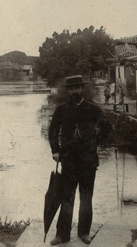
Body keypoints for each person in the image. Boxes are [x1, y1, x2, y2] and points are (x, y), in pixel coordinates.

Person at [48, 75, 112, 245]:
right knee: (66, 198)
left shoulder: (92, 108)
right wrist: (55, 150)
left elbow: (106, 125)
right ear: (67, 90)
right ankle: (62, 235)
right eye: (71, 88)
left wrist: (96, 142)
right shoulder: (61, 109)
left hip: (88, 161)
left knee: (86, 198)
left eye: (77, 87)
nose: (74, 91)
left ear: (83, 89)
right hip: (68, 160)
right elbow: (53, 131)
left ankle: (84, 232)